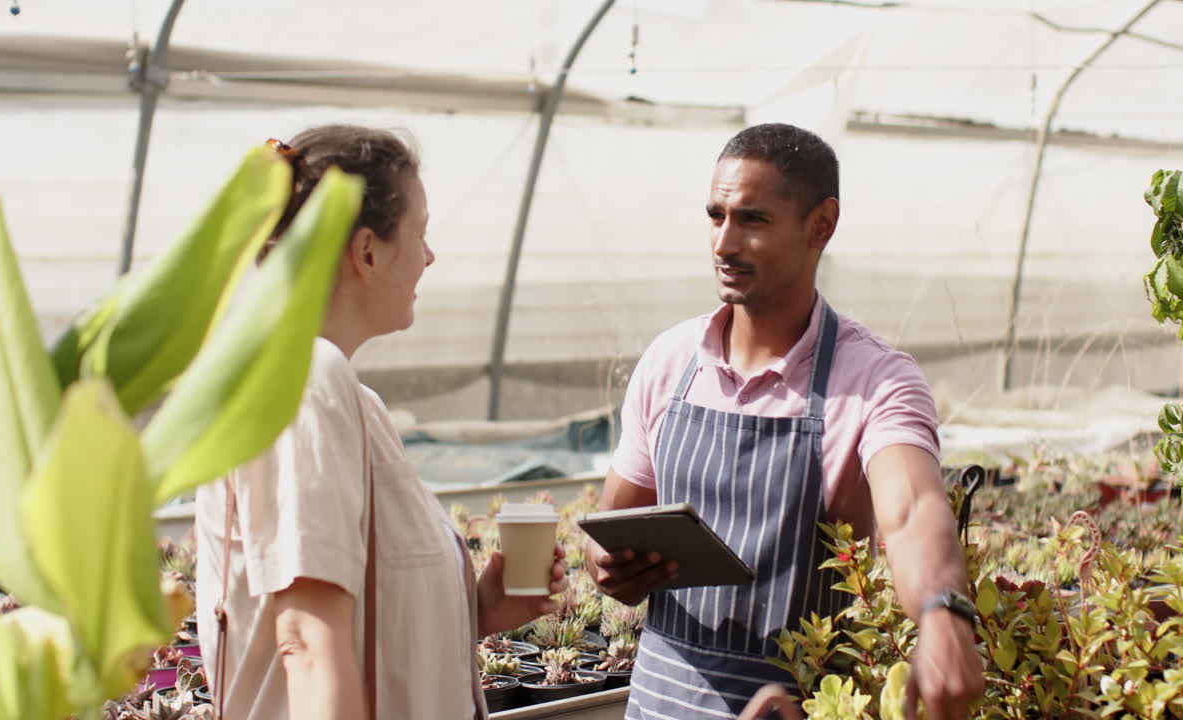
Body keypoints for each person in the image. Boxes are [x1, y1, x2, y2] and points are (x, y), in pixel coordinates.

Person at [586, 123, 984, 719]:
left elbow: (912, 513)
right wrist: (611, 568)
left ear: (821, 224)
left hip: (789, 705)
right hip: (658, 700)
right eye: (716, 216)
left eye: (752, 220)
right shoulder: (671, 363)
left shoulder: (873, 380)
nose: (724, 243)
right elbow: (613, 523)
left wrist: (942, 609)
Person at [195, 124, 567, 720]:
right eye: (419, 232)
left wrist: (479, 606)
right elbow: (307, 642)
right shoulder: (305, 381)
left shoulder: (344, 394)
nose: (429, 254)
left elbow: (362, 609)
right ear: (367, 252)